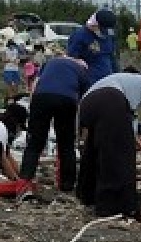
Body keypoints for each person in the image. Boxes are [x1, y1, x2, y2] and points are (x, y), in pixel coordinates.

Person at [77, 71, 141, 218]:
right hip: (110, 100)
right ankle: (120, 205)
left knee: (97, 148)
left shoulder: (124, 81)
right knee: (122, 154)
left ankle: (87, 194)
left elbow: (126, 122)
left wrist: (134, 139)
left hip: (86, 104)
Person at [20, 55, 89, 192]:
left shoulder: (52, 62)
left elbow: (37, 81)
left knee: (34, 143)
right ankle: (67, 185)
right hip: (66, 100)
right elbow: (84, 98)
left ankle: (24, 181)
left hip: (41, 97)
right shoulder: (81, 71)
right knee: (66, 144)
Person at [66, 9, 119, 84]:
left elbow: (112, 58)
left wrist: (117, 75)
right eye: (103, 29)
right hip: (90, 82)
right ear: (96, 24)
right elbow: (71, 59)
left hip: (109, 80)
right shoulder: (79, 36)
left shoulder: (109, 36)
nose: (105, 32)